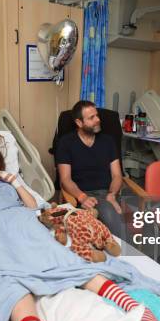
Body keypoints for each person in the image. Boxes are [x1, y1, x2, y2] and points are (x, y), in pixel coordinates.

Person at [0, 140, 160, 321]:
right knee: (3, 271)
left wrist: (15, 182)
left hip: (20, 221)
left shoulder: (8, 184)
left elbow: (31, 207)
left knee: (62, 257)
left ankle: (135, 308)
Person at [55, 101, 127, 238]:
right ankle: (118, 254)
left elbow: (117, 175)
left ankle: (118, 253)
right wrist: (82, 197)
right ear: (79, 122)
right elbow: (65, 179)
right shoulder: (66, 143)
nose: (98, 120)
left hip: (107, 193)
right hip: (81, 194)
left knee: (112, 216)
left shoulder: (108, 141)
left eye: (97, 116)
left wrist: (112, 194)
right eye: (91, 118)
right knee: (109, 218)